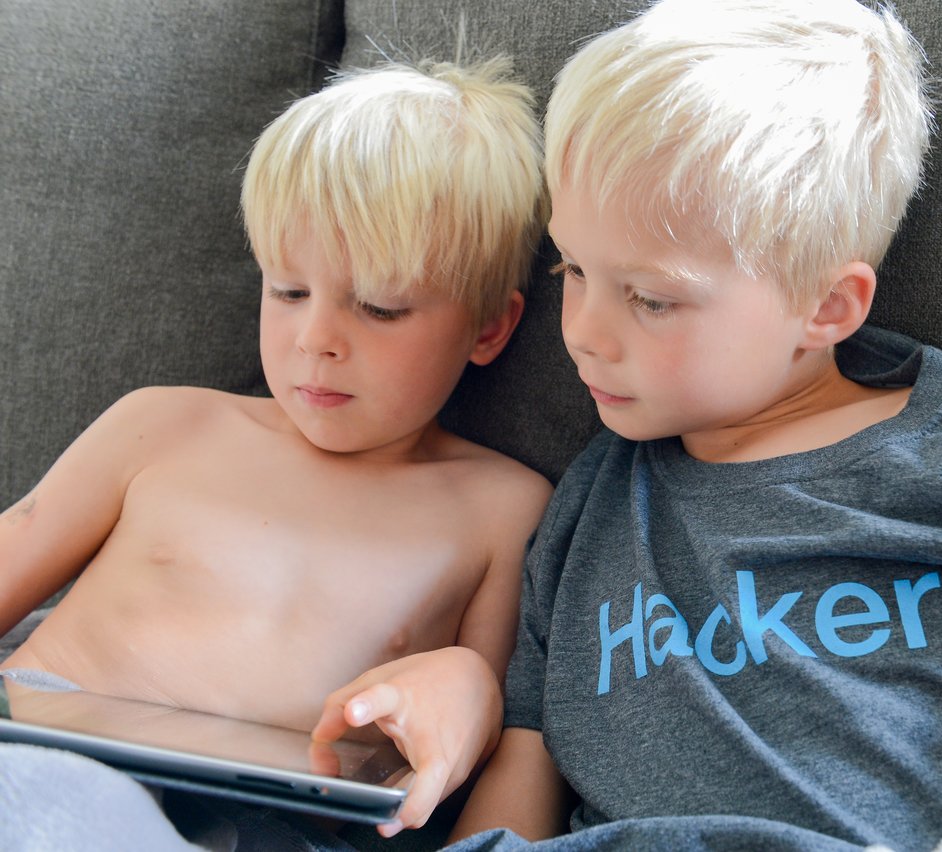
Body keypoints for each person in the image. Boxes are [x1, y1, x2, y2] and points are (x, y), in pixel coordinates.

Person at [323, 1, 942, 850]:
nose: (584, 334)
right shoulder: (591, 506)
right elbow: (522, 784)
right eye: (571, 269)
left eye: (651, 300)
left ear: (826, 308)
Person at [0, 55, 550, 838]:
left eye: (380, 308)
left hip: (286, 822)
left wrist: (465, 686)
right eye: (288, 292)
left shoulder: (502, 508)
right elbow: (14, 541)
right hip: (43, 758)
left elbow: (510, 718)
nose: (316, 341)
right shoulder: (165, 424)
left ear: (489, 327)